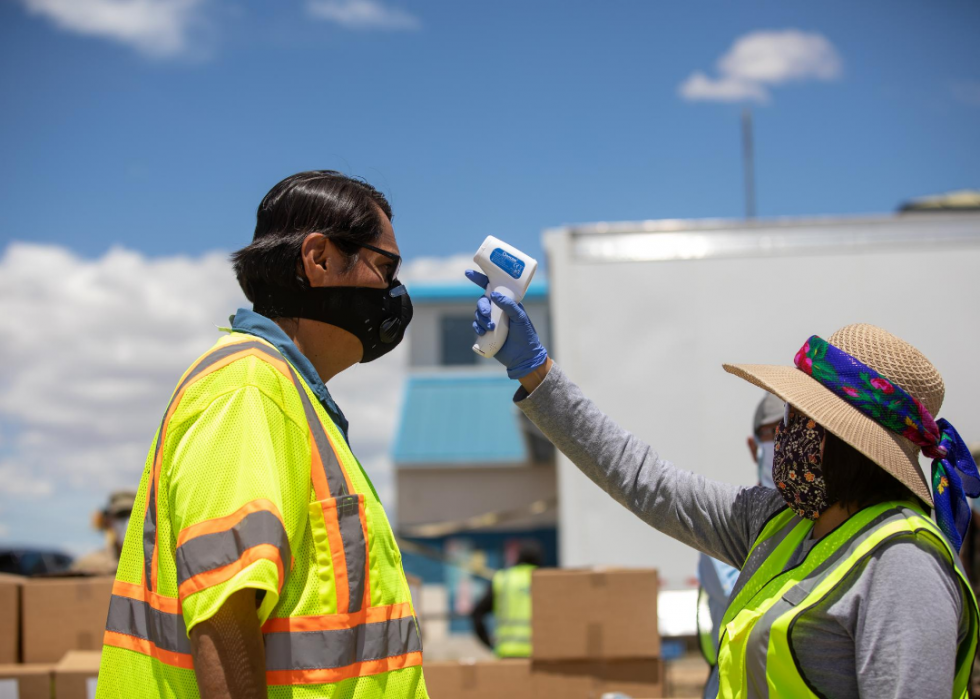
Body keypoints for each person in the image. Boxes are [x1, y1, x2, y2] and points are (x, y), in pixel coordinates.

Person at [467, 270, 980, 698]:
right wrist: (536, 372)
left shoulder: (903, 566)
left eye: (801, 419)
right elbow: (644, 478)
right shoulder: (779, 522)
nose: (785, 434)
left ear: (850, 445)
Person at [97, 172, 426, 699]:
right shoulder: (250, 387)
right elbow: (223, 607)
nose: (393, 292)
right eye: (384, 267)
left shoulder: (290, 396)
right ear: (318, 259)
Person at [696, 393, 781, 698]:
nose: (785, 443)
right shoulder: (731, 520)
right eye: (773, 433)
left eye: (793, 429)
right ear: (753, 446)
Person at [470, 540, 543, 657]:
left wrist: (489, 644)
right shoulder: (544, 580)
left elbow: (477, 613)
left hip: (507, 654)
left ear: (518, 557)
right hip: (540, 653)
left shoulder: (503, 580)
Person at [71, 490, 136, 575]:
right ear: (108, 521)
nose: (129, 521)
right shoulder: (88, 565)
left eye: (137, 515)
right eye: (122, 515)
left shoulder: (156, 565)